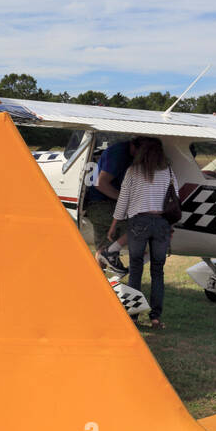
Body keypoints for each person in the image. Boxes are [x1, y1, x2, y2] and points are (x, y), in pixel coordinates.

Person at [109, 137, 175, 328]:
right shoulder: (169, 173)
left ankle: (133, 316)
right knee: (158, 271)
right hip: (162, 222)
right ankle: (155, 317)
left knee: (136, 269)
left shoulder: (133, 172)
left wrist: (114, 224)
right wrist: (170, 226)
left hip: (139, 222)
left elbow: (123, 201)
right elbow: (174, 199)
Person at [85, 136, 139, 275]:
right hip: (102, 205)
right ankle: (111, 254)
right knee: (142, 225)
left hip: (99, 206)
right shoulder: (119, 153)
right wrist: (126, 202)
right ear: (134, 145)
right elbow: (101, 183)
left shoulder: (124, 152)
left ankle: (98, 285)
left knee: (101, 249)